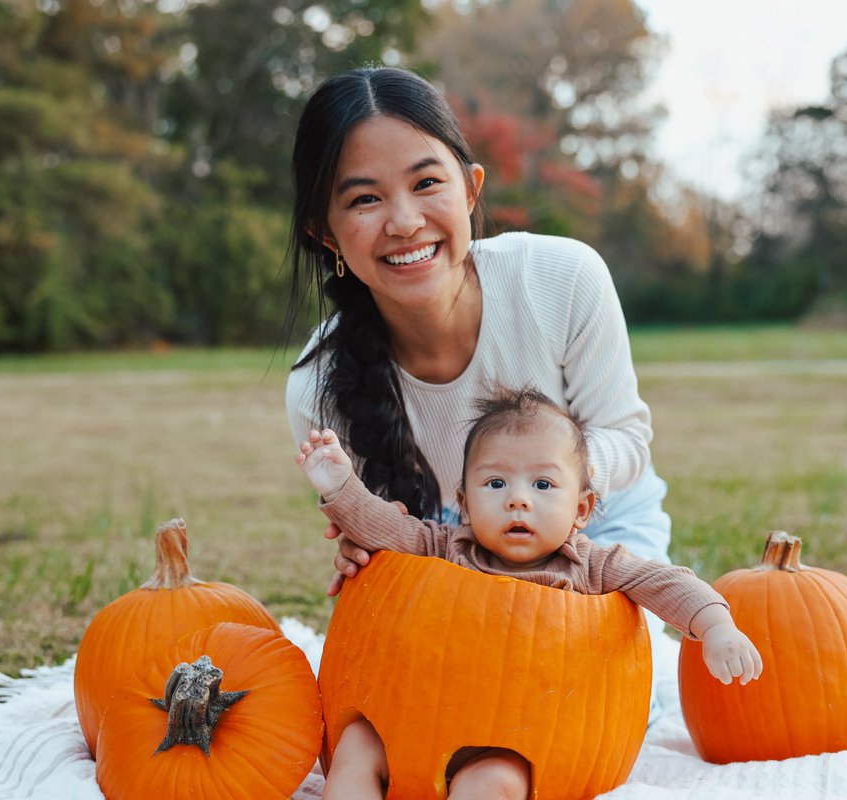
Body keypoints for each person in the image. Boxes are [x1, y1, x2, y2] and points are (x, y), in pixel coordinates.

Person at [284, 64, 671, 602]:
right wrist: (369, 543)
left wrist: (541, 490)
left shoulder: (562, 278)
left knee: (593, 678)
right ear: (323, 232)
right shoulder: (317, 386)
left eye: (426, 183)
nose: (404, 222)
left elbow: (626, 442)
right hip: (454, 551)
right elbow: (391, 532)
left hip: (599, 531)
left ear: (470, 189)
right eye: (364, 199)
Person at [295, 387, 763, 800]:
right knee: (356, 746)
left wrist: (715, 624)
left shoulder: (590, 566)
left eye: (542, 484)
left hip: (509, 735)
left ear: (581, 508)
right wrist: (341, 486)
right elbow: (385, 528)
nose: (518, 499)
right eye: (495, 483)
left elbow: (664, 581)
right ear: (465, 502)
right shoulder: (445, 546)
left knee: (496, 780)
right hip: (411, 721)